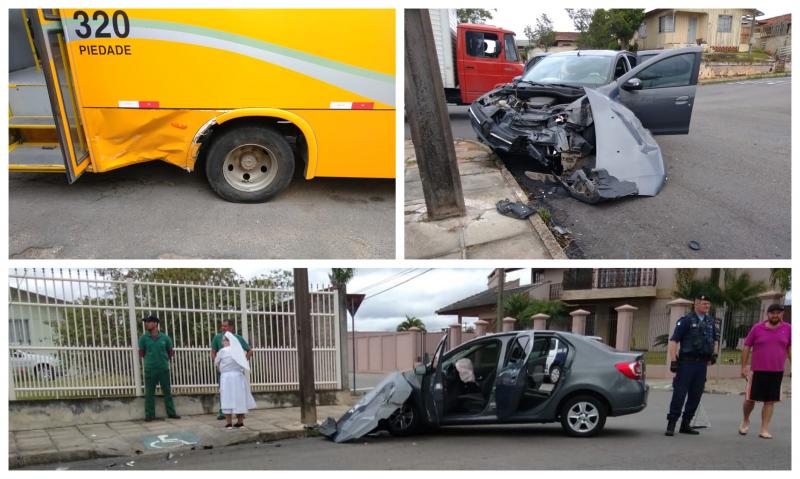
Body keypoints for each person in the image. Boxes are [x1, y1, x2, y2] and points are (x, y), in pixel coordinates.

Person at [665, 294, 718, 436]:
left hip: (701, 365)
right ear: (696, 304)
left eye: (708, 304)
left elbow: (714, 339)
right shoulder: (686, 320)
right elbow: (674, 340)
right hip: (686, 363)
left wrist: (714, 355)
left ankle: (686, 424)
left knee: (696, 395)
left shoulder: (710, 322)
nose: (707, 306)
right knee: (679, 394)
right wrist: (674, 360)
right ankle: (671, 423)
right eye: (704, 303)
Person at [739, 303, 791, 438]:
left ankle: (764, 429)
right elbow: (746, 347)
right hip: (757, 371)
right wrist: (743, 366)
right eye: (772, 313)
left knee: (770, 401)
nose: (775, 315)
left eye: (778, 313)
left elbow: (790, 349)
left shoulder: (788, 329)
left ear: (782, 314)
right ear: (767, 314)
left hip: (777, 371)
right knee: (750, 399)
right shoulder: (757, 328)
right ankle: (745, 420)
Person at [138, 315, 180, 421]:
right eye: (146, 322)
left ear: (155, 323)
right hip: (150, 369)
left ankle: (171, 413)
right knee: (149, 393)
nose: (146, 324)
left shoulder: (165, 338)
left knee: (167, 392)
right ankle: (149, 415)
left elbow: (170, 352)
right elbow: (141, 353)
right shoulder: (143, 338)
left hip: (163, 369)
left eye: (148, 322)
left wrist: (163, 360)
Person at [211, 319, 252, 419]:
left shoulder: (237, 338)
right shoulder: (217, 338)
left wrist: (242, 363)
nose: (223, 328)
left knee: (238, 392)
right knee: (223, 391)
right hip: (224, 371)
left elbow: (249, 351)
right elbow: (213, 352)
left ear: (231, 327)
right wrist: (217, 365)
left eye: (225, 326)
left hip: (236, 372)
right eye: (222, 326)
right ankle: (223, 412)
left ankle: (240, 412)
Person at [215, 332, 257, 429]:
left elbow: (217, 363)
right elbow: (243, 362)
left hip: (226, 378)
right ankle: (240, 422)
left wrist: (221, 368)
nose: (222, 342)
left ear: (228, 341)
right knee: (239, 398)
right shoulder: (239, 351)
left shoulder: (222, 351)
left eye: (223, 340)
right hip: (238, 377)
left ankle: (229, 423)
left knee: (227, 398)